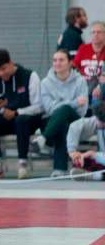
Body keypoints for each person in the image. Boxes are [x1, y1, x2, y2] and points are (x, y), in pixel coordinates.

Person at [0, 49, 43, 179]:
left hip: (29, 120)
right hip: (8, 119)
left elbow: (38, 106)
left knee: (21, 120)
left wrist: (16, 112)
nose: (1, 73)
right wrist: (3, 110)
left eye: (4, 69)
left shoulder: (30, 76)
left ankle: (23, 164)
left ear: (11, 63)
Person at [37, 49, 88, 177]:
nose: (57, 63)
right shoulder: (45, 83)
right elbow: (49, 108)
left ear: (70, 63)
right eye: (55, 60)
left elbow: (82, 109)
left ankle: (44, 138)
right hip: (53, 121)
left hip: (75, 119)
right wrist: (74, 102)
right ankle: (60, 169)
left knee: (65, 110)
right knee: (62, 123)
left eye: (61, 60)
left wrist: (67, 105)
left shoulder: (80, 81)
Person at [67, 101, 105, 180]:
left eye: (100, 121)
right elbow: (75, 126)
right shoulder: (98, 120)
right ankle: (92, 174)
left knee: (92, 157)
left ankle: (95, 176)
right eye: (97, 119)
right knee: (83, 159)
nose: (97, 122)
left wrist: (94, 155)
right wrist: (72, 152)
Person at [72, 20, 105, 103]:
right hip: (83, 87)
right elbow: (73, 67)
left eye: (99, 32)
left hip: (101, 89)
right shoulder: (83, 48)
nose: (96, 34)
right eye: (93, 32)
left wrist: (100, 87)